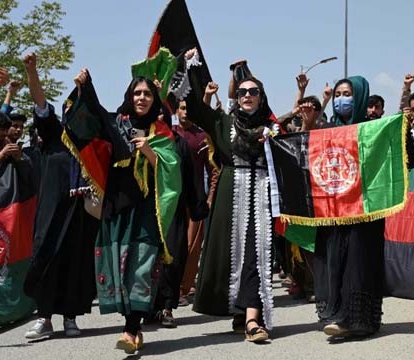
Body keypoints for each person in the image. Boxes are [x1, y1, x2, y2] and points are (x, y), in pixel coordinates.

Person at [62, 68, 181, 354]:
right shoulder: (116, 123)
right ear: (129, 96)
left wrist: (150, 153)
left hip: (146, 207)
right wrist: (85, 88)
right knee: (119, 267)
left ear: (155, 99)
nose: (142, 98)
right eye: (137, 93)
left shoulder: (161, 131)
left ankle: (131, 328)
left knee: (141, 266)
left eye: (147, 94)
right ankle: (134, 327)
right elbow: (93, 118)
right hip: (117, 204)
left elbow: (172, 171)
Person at [182, 48, 275, 343]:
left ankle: (251, 319)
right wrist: (192, 67)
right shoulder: (223, 123)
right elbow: (196, 108)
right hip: (230, 198)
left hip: (261, 196)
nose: (247, 95)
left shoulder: (273, 130)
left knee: (255, 255)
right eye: (243, 91)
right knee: (229, 256)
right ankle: (239, 312)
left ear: (261, 97)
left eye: (254, 91)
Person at [21, 52, 97, 341]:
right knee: (46, 258)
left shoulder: (94, 146)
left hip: (79, 213)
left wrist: (85, 90)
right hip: (51, 211)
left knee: (75, 262)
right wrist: (32, 71)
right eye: (73, 107)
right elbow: (40, 102)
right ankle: (44, 318)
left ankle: (70, 317)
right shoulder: (53, 133)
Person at [315, 76, 386, 339]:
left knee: (358, 261)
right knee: (334, 261)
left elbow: (402, 157)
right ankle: (337, 314)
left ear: (359, 98)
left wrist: (403, 127)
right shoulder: (326, 130)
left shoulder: (372, 128)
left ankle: (356, 319)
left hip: (363, 210)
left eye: (347, 94)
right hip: (332, 210)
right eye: (338, 94)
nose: (341, 99)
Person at [174, 98, 215, 306]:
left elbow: (214, 170)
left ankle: (182, 289)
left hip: (195, 201)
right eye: (182, 108)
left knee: (191, 247)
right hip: (171, 201)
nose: (185, 112)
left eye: (189, 108)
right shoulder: (168, 133)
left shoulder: (202, 137)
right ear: (176, 110)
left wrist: (209, 199)